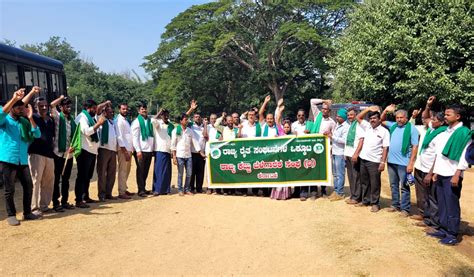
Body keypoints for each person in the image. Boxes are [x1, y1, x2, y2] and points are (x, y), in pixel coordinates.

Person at [426, 104, 471, 246]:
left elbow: (465, 156)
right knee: (442, 204)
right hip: (441, 173)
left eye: (448, 114)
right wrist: (435, 172)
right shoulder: (446, 132)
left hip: (452, 174)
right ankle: (443, 229)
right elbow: (439, 154)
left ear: (457, 116)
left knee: (451, 205)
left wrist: (457, 174)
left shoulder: (464, 133)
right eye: (445, 114)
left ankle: (452, 234)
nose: (445, 117)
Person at [0, 88, 42, 225]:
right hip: (8, 159)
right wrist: (14, 98)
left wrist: (30, 118)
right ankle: (11, 215)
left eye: (22, 107)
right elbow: (1, 114)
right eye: (17, 107)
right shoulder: (5, 121)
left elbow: (37, 134)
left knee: (28, 186)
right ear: (11, 107)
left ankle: (27, 212)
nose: (20, 109)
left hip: (22, 160)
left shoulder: (24, 122)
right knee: (9, 189)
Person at [381, 105, 420, 217]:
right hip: (391, 162)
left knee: (404, 186)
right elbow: (382, 120)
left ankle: (405, 209)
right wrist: (386, 110)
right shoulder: (393, 126)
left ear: (406, 118)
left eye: (401, 118)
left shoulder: (412, 129)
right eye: (397, 117)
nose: (399, 119)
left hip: (404, 163)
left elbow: (415, 147)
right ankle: (395, 205)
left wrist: (411, 163)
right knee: (393, 185)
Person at [411, 96, 443, 226]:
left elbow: (438, 156)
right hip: (420, 166)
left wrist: (431, 173)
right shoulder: (430, 129)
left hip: (429, 169)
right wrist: (428, 106)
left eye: (434, 119)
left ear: (441, 122)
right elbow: (425, 117)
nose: (430, 120)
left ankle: (432, 221)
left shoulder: (441, 134)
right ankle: (422, 214)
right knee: (421, 193)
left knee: (431, 195)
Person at [74, 99, 108, 208]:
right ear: (88, 108)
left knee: (88, 176)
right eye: (94, 108)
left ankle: (85, 196)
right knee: (82, 176)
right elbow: (87, 131)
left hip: (92, 150)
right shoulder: (81, 117)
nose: (95, 110)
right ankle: (78, 199)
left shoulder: (90, 118)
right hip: (84, 150)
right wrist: (98, 124)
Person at [356, 106, 390, 213]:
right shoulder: (367, 127)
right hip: (363, 159)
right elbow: (358, 117)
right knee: (364, 181)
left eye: (375, 118)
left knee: (375, 183)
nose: (372, 120)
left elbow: (385, 148)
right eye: (370, 118)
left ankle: (375, 203)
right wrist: (368, 109)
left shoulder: (384, 131)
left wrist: (382, 162)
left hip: (375, 161)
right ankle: (366, 200)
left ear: (380, 119)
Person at [303, 98, 336, 200]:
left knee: (323, 169)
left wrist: (330, 135)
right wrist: (324, 100)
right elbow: (312, 101)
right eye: (323, 108)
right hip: (313, 148)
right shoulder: (317, 115)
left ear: (329, 111)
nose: (324, 110)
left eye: (326, 109)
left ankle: (323, 190)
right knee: (312, 167)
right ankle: (313, 191)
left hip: (324, 150)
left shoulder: (332, 122)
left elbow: (334, 136)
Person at [28, 95, 56, 215]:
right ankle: (34, 207)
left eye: (45, 105)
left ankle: (44, 205)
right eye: (41, 106)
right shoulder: (32, 117)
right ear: (35, 107)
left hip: (49, 154)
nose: (44, 107)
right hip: (36, 153)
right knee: (36, 181)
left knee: (48, 181)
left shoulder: (50, 120)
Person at [50, 95, 76, 211]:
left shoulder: (72, 120)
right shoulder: (57, 117)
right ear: (61, 107)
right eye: (66, 105)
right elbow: (51, 105)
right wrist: (60, 98)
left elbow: (74, 137)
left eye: (70, 105)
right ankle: (56, 203)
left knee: (66, 179)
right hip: (57, 154)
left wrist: (73, 147)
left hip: (68, 155)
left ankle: (65, 201)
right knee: (56, 180)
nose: (69, 107)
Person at [171, 113, 205, 196]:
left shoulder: (190, 131)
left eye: (187, 120)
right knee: (180, 173)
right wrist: (174, 157)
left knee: (189, 173)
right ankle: (180, 189)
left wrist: (200, 152)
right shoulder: (176, 130)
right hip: (179, 155)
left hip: (188, 155)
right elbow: (173, 145)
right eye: (185, 120)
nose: (187, 121)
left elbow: (195, 142)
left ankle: (187, 189)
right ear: (181, 121)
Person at [131, 102, 154, 197]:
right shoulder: (136, 122)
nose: (144, 110)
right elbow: (134, 137)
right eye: (142, 109)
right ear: (138, 111)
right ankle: (140, 190)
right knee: (140, 171)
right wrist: (138, 150)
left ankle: (143, 188)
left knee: (145, 171)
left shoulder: (149, 121)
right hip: (141, 151)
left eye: (145, 109)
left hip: (148, 150)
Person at [270, 99, 291, 200]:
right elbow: (277, 120)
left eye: (288, 127)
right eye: (285, 127)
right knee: (279, 175)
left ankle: (286, 194)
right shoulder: (281, 133)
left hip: (287, 159)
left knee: (286, 176)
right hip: (279, 158)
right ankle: (277, 194)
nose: (286, 129)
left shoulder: (292, 136)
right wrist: (279, 108)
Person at [96, 105, 118, 202]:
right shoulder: (101, 119)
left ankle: (109, 193)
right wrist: (106, 103)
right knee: (102, 173)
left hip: (113, 150)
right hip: (103, 149)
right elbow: (97, 108)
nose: (112, 113)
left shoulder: (112, 122)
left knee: (111, 173)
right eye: (109, 112)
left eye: (112, 112)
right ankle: (102, 194)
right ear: (104, 113)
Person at [344, 107, 365, 205]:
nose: (349, 117)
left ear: (356, 115)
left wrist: (356, 154)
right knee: (351, 176)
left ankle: (357, 197)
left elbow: (361, 140)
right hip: (348, 154)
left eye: (351, 115)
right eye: (348, 115)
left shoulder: (359, 125)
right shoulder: (350, 125)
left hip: (354, 155)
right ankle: (353, 195)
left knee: (356, 177)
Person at [329, 108, 350, 201]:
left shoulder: (346, 127)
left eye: (339, 116)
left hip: (340, 153)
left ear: (343, 117)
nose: (336, 117)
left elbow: (344, 141)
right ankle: (336, 190)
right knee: (335, 173)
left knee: (340, 174)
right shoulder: (338, 125)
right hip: (334, 152)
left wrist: (332, 137)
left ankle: (340, 193)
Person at [151, 108, 174, 196]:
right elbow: (153, 120)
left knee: (166, 171)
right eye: (164, 115)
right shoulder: (158, 124)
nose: (166, 116)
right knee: (158, 171)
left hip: (168, 150)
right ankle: (157, 189)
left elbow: (172, 138)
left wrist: (172, 150)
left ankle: (166, 189)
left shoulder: (171, 126)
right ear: (161, 116)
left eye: (167, 115)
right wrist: (160, 111)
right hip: (160, 150)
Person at [115, 103, 134, 199]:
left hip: (129, 149)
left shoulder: (126, 121)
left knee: (127, 170)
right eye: (123, 109)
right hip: (123, 150)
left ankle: (124, 188)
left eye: (126, 109)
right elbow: (119, 137)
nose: (125, 110)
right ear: (119, 110)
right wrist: (125, 151)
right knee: (122, 170)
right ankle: (121, 192)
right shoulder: (119, 121)